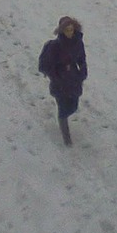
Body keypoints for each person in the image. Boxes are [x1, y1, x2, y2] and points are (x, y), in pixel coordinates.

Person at [38, 15, 88, 146]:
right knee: (63, 108)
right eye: (66, 30)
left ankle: (64, 121)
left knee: (73, 105)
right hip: (59, 83)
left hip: (73, 80)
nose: (69, 32)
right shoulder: (54, 46)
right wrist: (56, 76)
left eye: (71, 29)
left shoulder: (78, 42)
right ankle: (67, 139)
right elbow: (46, 65)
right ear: (61, 31)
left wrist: (82, 73)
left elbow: (82, 59)